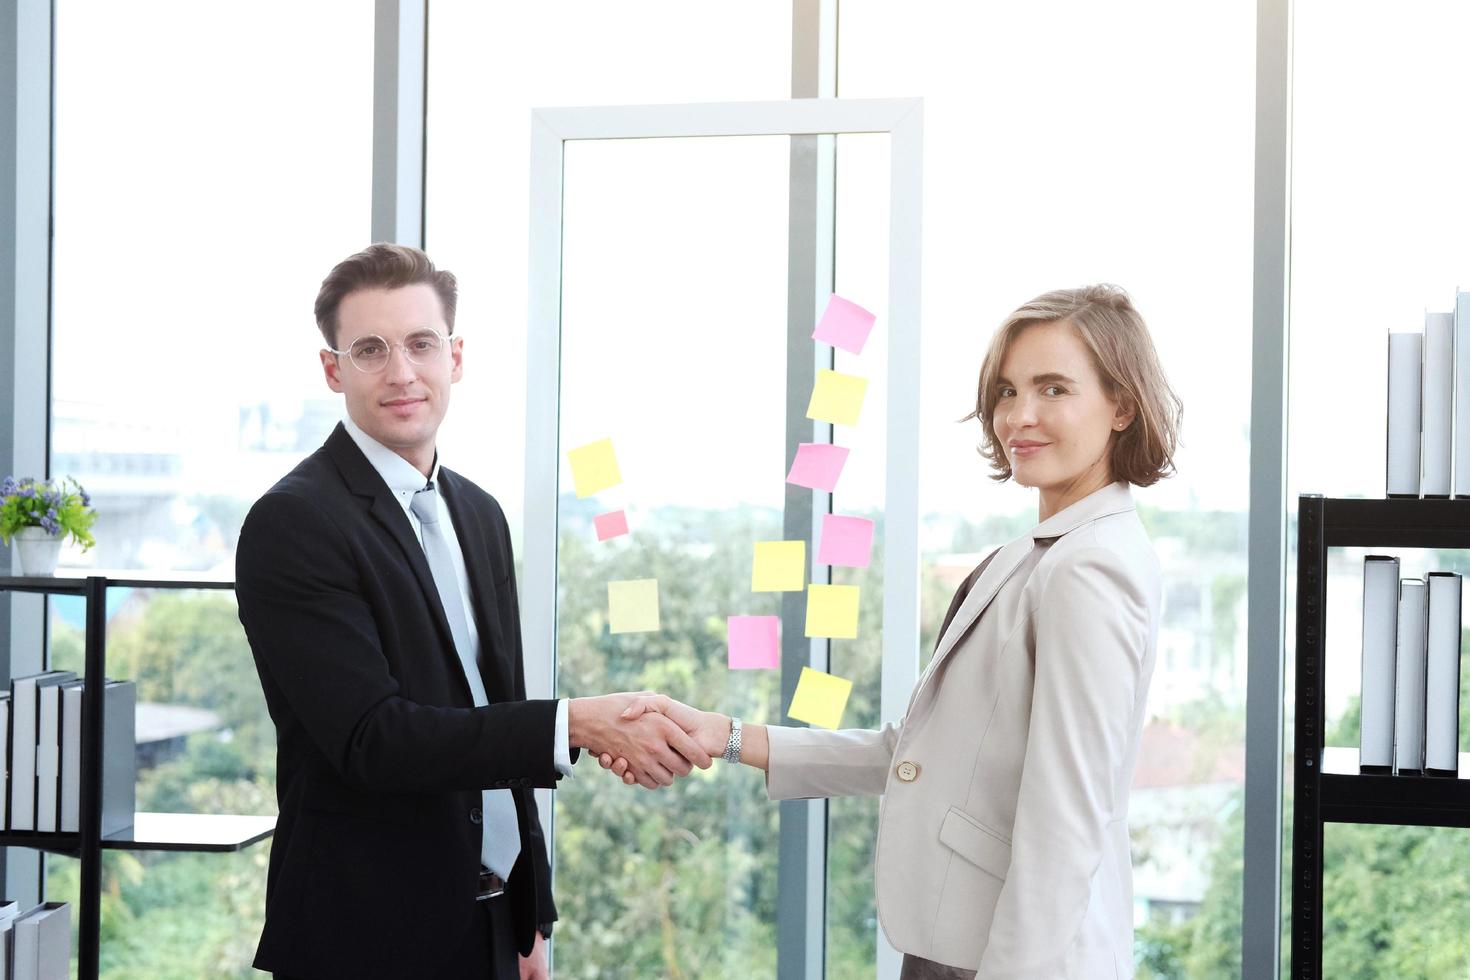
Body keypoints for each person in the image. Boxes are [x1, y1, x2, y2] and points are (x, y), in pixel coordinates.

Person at [608, 284, 1183, 979]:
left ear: (1122, 405)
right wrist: (726, 736)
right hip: (959, 945)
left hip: (1008, 960)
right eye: (1006, 391)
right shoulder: (1036, 558)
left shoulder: (1089, 570)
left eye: (1054, 389)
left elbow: (1065, 826)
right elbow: (913, 755)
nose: (1019, 416)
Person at [235, 243, 709, 980]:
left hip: (490, 926)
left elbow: (494, 710)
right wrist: (577, 722)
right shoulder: (294, 523)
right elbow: (374, 738)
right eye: (370, 350)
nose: (402, 372)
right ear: (333, 370)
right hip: (363, 939)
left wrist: (530, 914)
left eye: (421, 344)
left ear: (455, 357)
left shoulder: (479, 513)